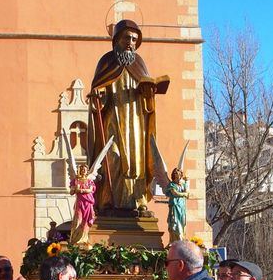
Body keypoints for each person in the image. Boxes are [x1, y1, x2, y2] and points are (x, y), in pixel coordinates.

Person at [89, 19, 167, 212]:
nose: (131, 43)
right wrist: (99, 96)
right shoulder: (106, 62)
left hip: (136, 123)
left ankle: (137, 201)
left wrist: (149, 93)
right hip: (113, 120)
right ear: (117, 40)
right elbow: (97, 90)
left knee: (136, 161)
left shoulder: (139, 63)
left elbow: (148, 102)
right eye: (127, 38)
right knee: (113, 157)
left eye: (134, 39)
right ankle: (108, 200)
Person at [69, 163, 97, 245]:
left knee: (85, 221)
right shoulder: (76, 180)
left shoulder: (90, 181)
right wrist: (74, 189)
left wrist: (80, 190)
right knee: (78, 219)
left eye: (85, 170)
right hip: (80, 203)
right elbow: (71, 192)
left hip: (88, 203)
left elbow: (90, 190)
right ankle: (75, 239)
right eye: (82, 169)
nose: (83, 171)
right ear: (80, 171)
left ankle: (84, 239)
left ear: (87, 171)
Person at [165, 167, 189, 242]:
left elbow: (188, 193)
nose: (177, 175)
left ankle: (182, 239)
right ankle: (175, 241)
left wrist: (187, 182)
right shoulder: (171, 184)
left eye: (179, 174)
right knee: (174, 223)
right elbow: (174, 193)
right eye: (176, 174)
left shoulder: (183, 184)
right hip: (174, 206)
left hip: (182, 206)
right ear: (174, 175)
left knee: (182, 222)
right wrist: (183, 194)